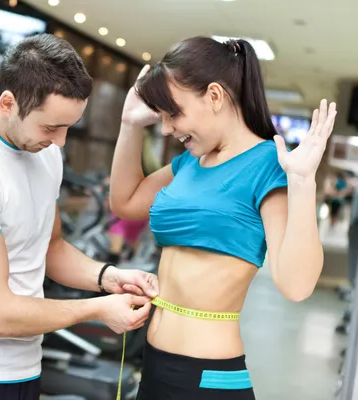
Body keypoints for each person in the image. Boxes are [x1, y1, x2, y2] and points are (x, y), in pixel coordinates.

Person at [0, 33, 159, 400]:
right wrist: (97, 309)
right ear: (8, 102)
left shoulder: (46, 153)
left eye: (68, 127)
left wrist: (109, 277)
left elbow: (51, 247)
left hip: (24, 372)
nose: (60, 142)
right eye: (50, 127)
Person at [110, 36, 337, 399]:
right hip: (153, 365)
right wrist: (128, 125)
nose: (166, 128)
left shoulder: (268, 165)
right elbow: (125, 202)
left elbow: (296, 286)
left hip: (208, 379)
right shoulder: (190, 162)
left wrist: (302, 181)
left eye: (174, 112)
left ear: (214, 96)